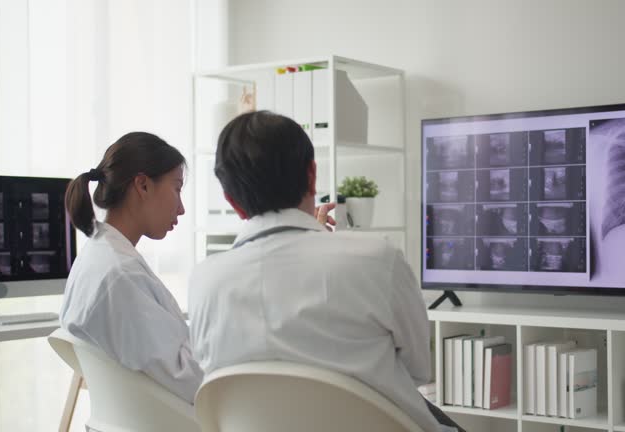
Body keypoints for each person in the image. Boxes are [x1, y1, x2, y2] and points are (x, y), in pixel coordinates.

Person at [188, 111, 464, 432]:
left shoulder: (204, 281)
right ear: (312, 175)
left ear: (231, 201)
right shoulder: (377, 260)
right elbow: (419, 371)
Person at [60, 132, 202, 403]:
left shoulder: (99, 257)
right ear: (143, 185)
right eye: (177, 188)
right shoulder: (119, 275)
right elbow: (191, 381)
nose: (181, 208)